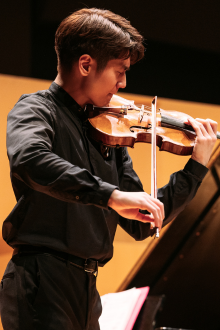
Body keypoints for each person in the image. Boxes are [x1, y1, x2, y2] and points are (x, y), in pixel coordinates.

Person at [0, 7, 217, 330]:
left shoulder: (110, 131)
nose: (123, 83)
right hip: (41, 281)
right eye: (119, 71)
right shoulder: (35, 110)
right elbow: (31, 160)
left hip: (87, 290)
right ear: (86, 64)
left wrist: (196, 166)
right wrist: (111, 195)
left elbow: (143, 223)